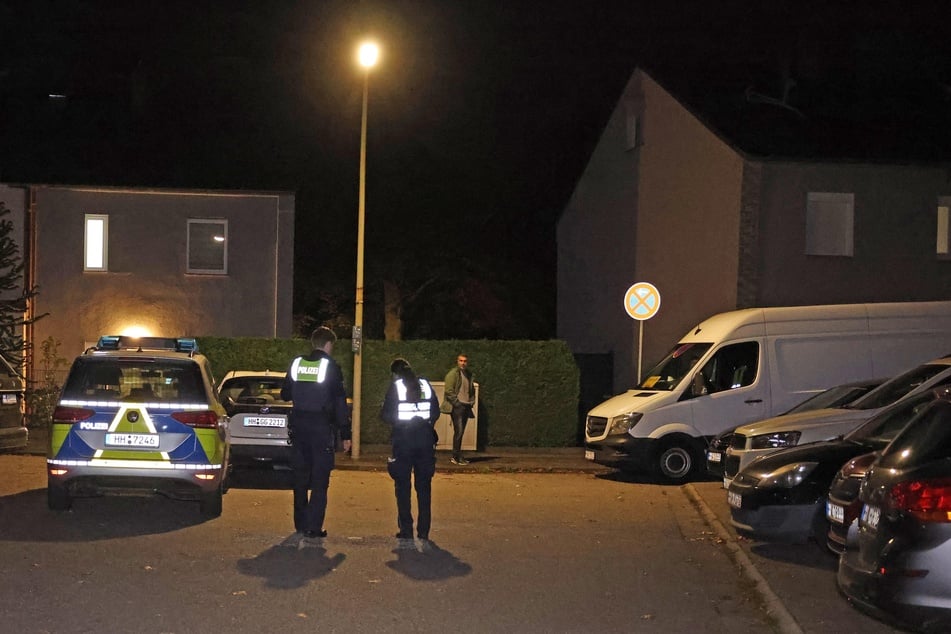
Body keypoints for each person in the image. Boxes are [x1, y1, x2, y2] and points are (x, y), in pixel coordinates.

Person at [281, 326, 351, 539]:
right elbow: (340, 403)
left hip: (299, 426)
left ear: (313, 343)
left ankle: (300, 524)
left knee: (300, 477)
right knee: (320, 479)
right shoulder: (331, 367)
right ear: (329, 345)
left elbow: (285, 394)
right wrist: (346, 434)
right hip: (321, 428)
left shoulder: (297, 364)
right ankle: (314, 527)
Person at [381, 358, 440, 541]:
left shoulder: (396, 387)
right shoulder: (425, 384)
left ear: (394, 373)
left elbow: (385, 415)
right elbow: (435, 411)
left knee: (402, 487)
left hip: (403, 442)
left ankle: (406, 530)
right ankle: (424, 531)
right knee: (424, 488)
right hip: (424, 441)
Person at [441, 353, 475, 465]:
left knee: (460, 432)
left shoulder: (468, 374)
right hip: (458, 406)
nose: (463, 363)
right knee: (459, 432)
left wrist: (471, 401)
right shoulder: (453, 374)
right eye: (461, 361)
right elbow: (449, 390)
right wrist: (457, 403)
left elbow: (471, 389)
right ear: (457, 361)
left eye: (465, 361)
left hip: (465, 405)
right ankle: (456, 457)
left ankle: (457, 456)